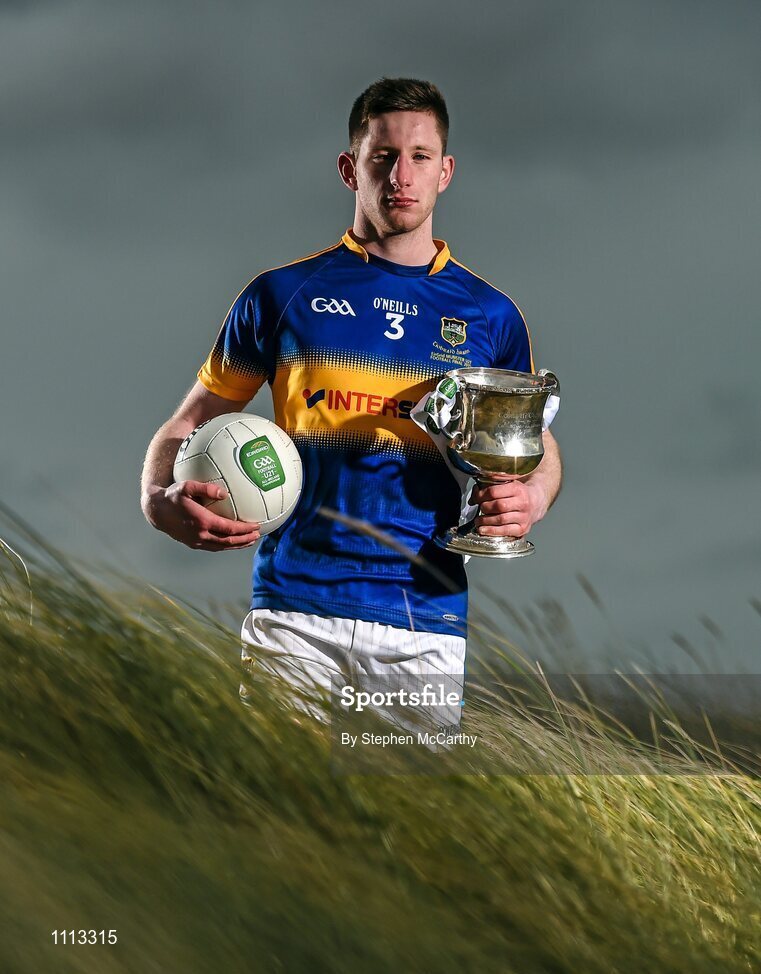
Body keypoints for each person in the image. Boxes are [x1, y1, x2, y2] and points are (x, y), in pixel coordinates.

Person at [140, 77, 562, 730]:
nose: (401, 175)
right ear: (349, 168)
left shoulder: (490, 315)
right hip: (294, 611)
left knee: (407, 830)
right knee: (277, 821)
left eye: (420, 157)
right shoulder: (281, 293)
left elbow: (531, 443)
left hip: (424, 618)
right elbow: (190, 421)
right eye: (382, 156)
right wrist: (158, 499)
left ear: (445, 172)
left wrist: (529, 499)